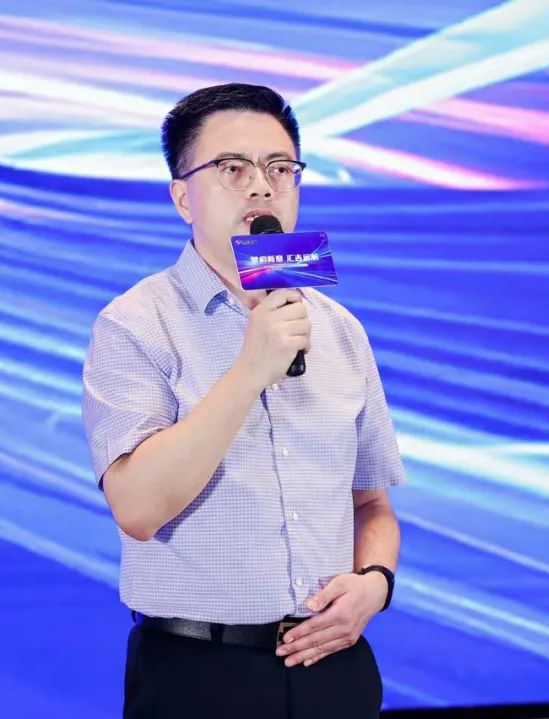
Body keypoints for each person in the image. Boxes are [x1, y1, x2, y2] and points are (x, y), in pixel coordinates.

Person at [81, 83, 406, 719]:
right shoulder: (135, 324)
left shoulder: (339, 328)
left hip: (333, 667)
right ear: (183, 197)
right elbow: (137, 508)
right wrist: (250, 369)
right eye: (233, 168)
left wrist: (376, 584)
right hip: (199, 673)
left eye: (280, 168)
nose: (262, 187)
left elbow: (372, 506)